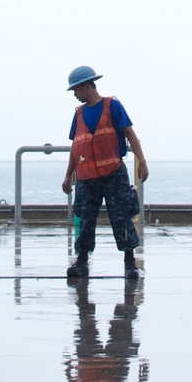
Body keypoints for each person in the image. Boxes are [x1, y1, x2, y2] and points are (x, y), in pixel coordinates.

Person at [61, 65, 149, 282]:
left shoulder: (113, 106)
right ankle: (82, 261)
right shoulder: (79, 115)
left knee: (121, 218)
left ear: (86, 86)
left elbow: (130, 134)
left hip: (114, 174)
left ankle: (130, 263)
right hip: (87, 178)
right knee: (86, 220)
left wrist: (142, 161)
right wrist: (67, 175)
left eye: (76, 90)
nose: (75, 94)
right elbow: (76, 148)